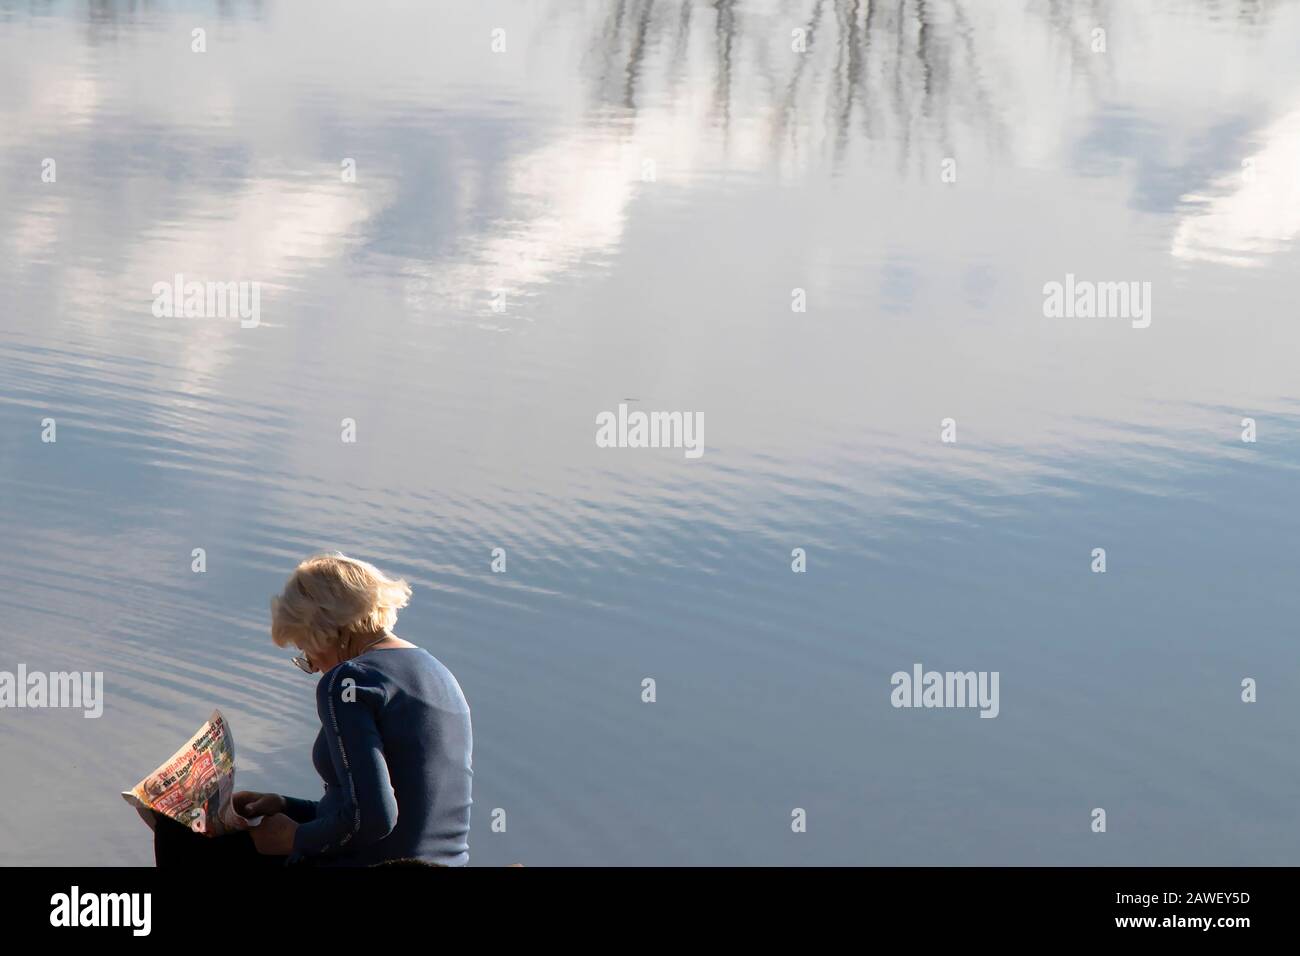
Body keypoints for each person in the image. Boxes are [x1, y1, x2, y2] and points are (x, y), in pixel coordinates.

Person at [153, 553, 472, 867]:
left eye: (305, 650)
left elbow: (374, 818)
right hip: (440, 863)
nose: (314, 666)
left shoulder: (349, 680)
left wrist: (295, 839)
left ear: (325, 630)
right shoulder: (439, 673)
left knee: (177, 828)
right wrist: (287, 807)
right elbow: (390, 805)